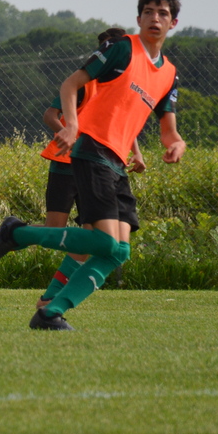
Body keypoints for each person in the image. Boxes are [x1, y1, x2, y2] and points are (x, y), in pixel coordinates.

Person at [0, 0, 185, 331]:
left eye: (162, 13)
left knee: (118, 252)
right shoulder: (122, 49)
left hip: (117, 163)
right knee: (104, 243)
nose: (155, 18)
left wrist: (176, 144)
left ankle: (49, 313)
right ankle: (17, 234)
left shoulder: (169, 74)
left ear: (173, 23)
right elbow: (70, 84)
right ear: (138, 18)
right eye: (148, 11)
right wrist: (71, 125)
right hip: (93, 151)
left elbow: (168, 130)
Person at [34, 27, 144, 312]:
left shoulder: (123, 86)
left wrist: (136, 153)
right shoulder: (84, 82)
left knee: (92, 237)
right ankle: (13, 233)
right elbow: (50, 114)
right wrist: (69, 133)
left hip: (99, 166)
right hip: (66, 163)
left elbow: (125, 123)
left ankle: (51, 296)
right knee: (54, 229)